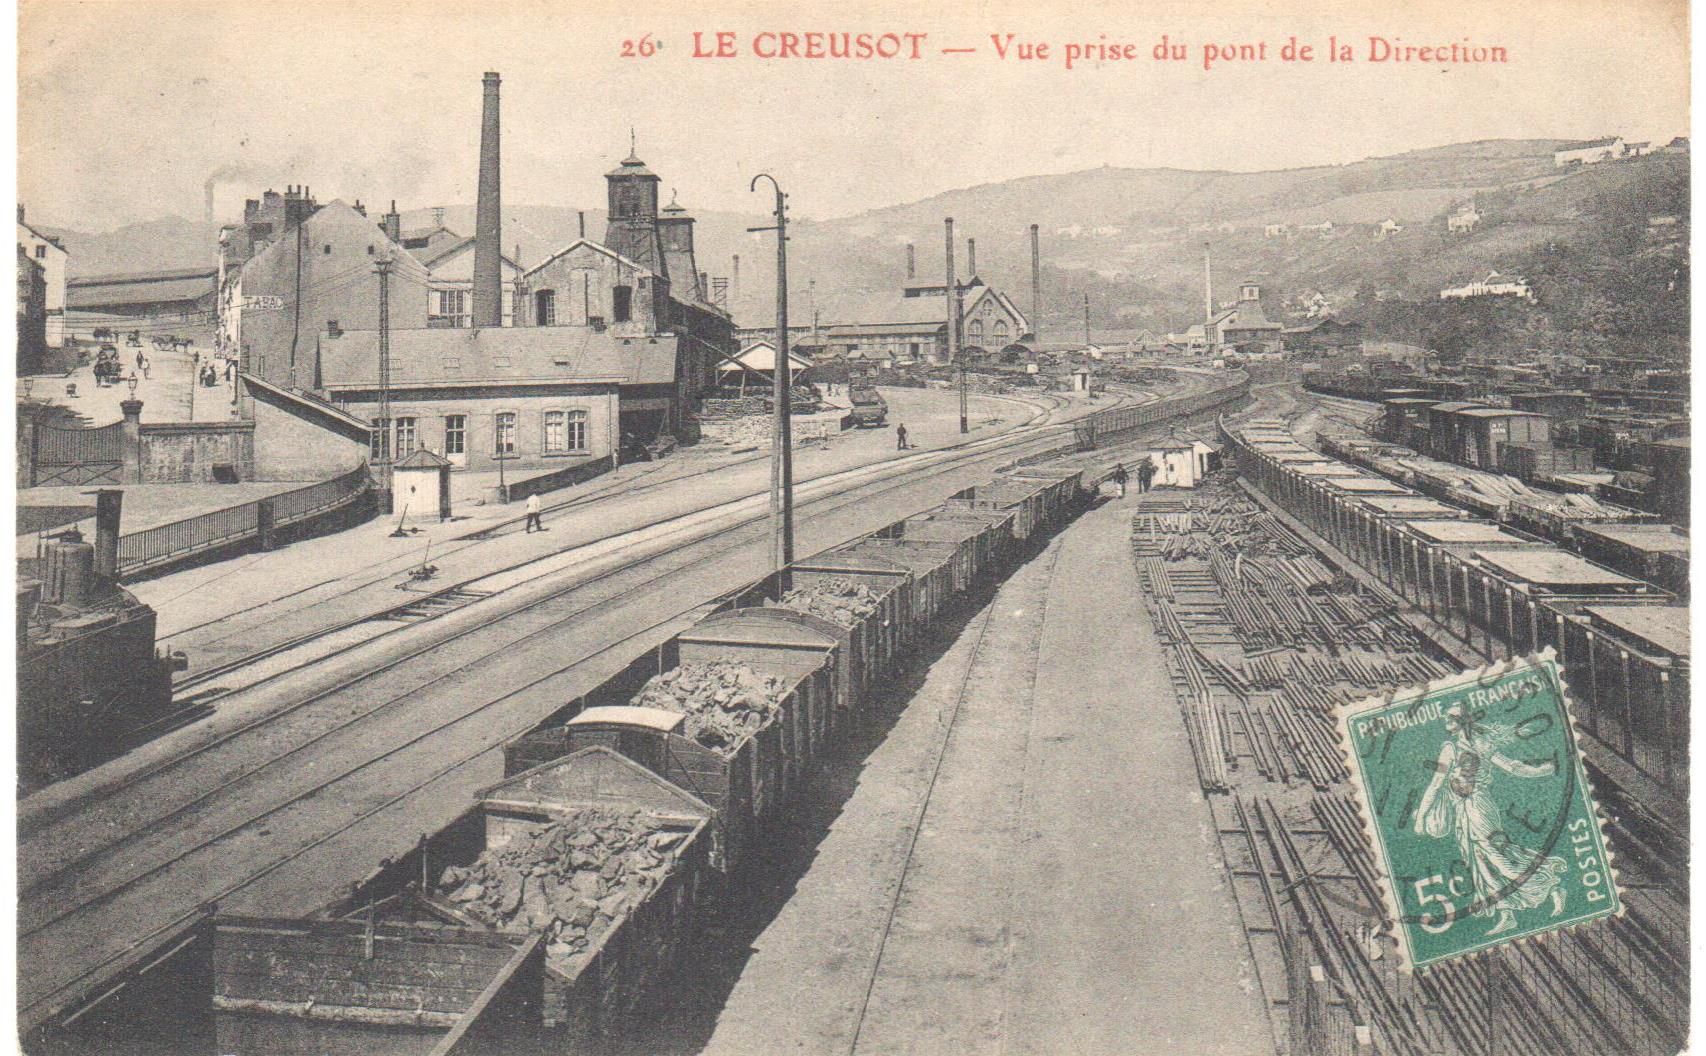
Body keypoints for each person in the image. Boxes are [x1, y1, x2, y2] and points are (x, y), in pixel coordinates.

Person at [1413, 703, 1568, 936]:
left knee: (1496, 857)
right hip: (1462, 811)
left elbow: (1513, 767)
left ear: (1462, 721)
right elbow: (1436, 785)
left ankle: (1550, 884)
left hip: (1479, 808)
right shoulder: (1451, 748)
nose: (1446, 721)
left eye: (1451, 717)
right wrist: (1422, 816)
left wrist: (1548, 768)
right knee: (1480, 863)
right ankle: (1506, 914)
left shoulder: (1478, 744)